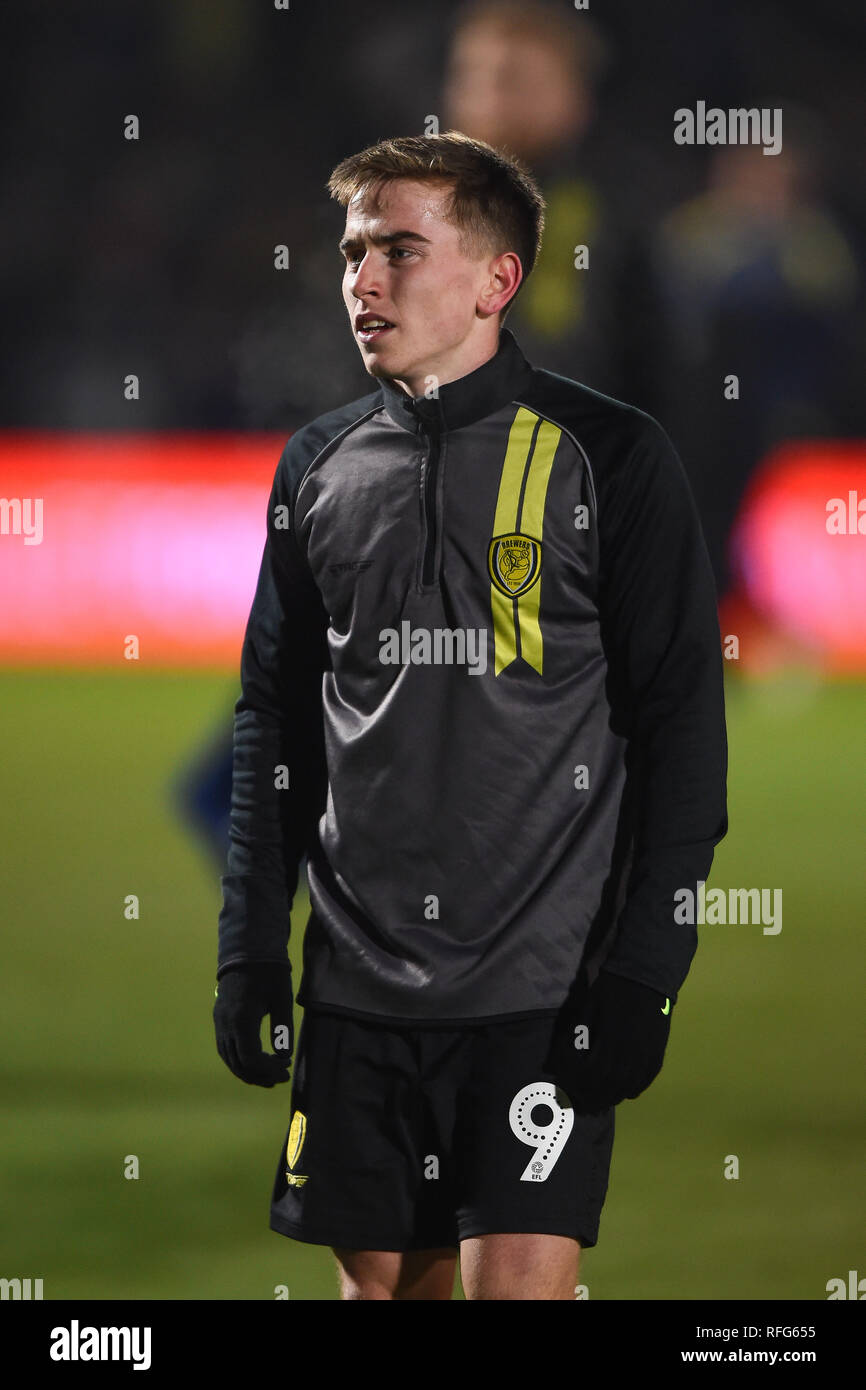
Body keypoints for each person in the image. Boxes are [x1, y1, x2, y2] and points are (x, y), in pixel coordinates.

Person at [213, 131, 728, 1301]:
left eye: (400, 249)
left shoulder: (613, 459)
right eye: (352, 252)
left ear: (498, 281)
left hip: (539, 996)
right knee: (383, 1293)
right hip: (354, 990)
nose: (363, 280)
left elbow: (682, 738)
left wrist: (644, 971)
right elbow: (273, 724)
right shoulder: (316, 468)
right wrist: (249, 949)